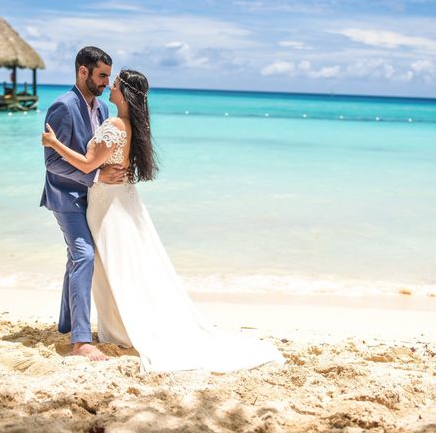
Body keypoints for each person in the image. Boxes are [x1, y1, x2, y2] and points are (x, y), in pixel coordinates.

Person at [42, 69, 284, 373]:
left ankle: (117, 326)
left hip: (107, 206)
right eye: (108, 80)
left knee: (111, 264)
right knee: (120, 264)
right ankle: (90, 324)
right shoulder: (131, 125)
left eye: (114, 83)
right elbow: (109, 163)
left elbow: (90, 163)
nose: (109, 87)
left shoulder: (114, 123)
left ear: (124, 93)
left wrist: (54, 144)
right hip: (117, 201)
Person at [40, 46, 126, 361]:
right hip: (65, 196)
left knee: (76, 258)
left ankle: (66, 322)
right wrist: (96, 176)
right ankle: (80, 341)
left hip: (93, 199)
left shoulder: (103, 110)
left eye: (108, 76)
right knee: (84, 256)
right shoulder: (62, 107)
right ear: (83, 71)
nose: (106, 82)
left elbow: (100, 153)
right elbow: (53, 163)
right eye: (101, 75)